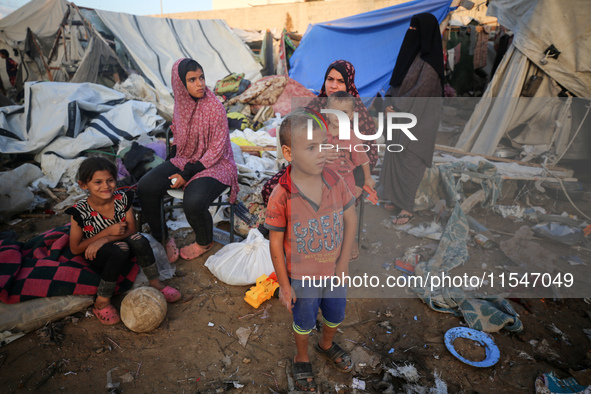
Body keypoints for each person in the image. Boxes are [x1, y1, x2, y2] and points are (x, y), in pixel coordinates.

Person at [265, 109, 356, 392]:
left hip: (332, 272)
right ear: (289, 153)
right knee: (303, 321)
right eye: (311, 148)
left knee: (335, 314)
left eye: (323, 145)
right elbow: (275, 243)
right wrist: (284, 285)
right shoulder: (282, 195)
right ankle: (301, 356)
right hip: (302, 278)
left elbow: (351, 218)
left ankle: (326, 344)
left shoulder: (334, 181)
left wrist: (343, 263)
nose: (320, 153)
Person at [137, 58, 238, 262]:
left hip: (217, 164)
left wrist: (186, 174)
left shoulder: (215, 107)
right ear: (180, 84)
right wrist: (171, 167)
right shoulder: (181, 106)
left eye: (201, 77)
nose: (200, 84)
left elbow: (216, 150)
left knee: (193, 201)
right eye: (192, 80)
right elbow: (180, 143)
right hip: (186, 159)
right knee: (146, 186)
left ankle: (204, 241)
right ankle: (162, 236)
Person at [66, 157, 181, 326]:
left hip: (123, 242)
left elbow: (132, 230)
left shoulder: (122, 199)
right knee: (119, 249)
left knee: (139, 239)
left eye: (110, 180)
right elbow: (75, 249)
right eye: (98, 182)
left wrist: (106, 237)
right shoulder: (79, 212)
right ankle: (102, 301)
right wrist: (103, 236)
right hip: (100, 255)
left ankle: (156, 283)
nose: (106, 186)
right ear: (84, 185)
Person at [262, 60, 377, 205]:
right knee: (271, 189)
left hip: (346, 179)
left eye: (340, 81)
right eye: (330, 79)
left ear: (349, 84)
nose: (334, 85)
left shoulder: (359, 117)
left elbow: (369, 155)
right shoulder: (315, 108)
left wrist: (360, 183)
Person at [378, 13, 444, 225]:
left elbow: (420, 92)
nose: (411, 33)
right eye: (411, 29)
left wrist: (396, 107)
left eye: (416, 30)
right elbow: (395, 82)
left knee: (410, 160)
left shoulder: (431, 63)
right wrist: (388, 101)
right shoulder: (409, 55)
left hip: (420, 120)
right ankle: (396, 200)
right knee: (396, 156)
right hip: (400, 115)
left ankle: (407, 207)